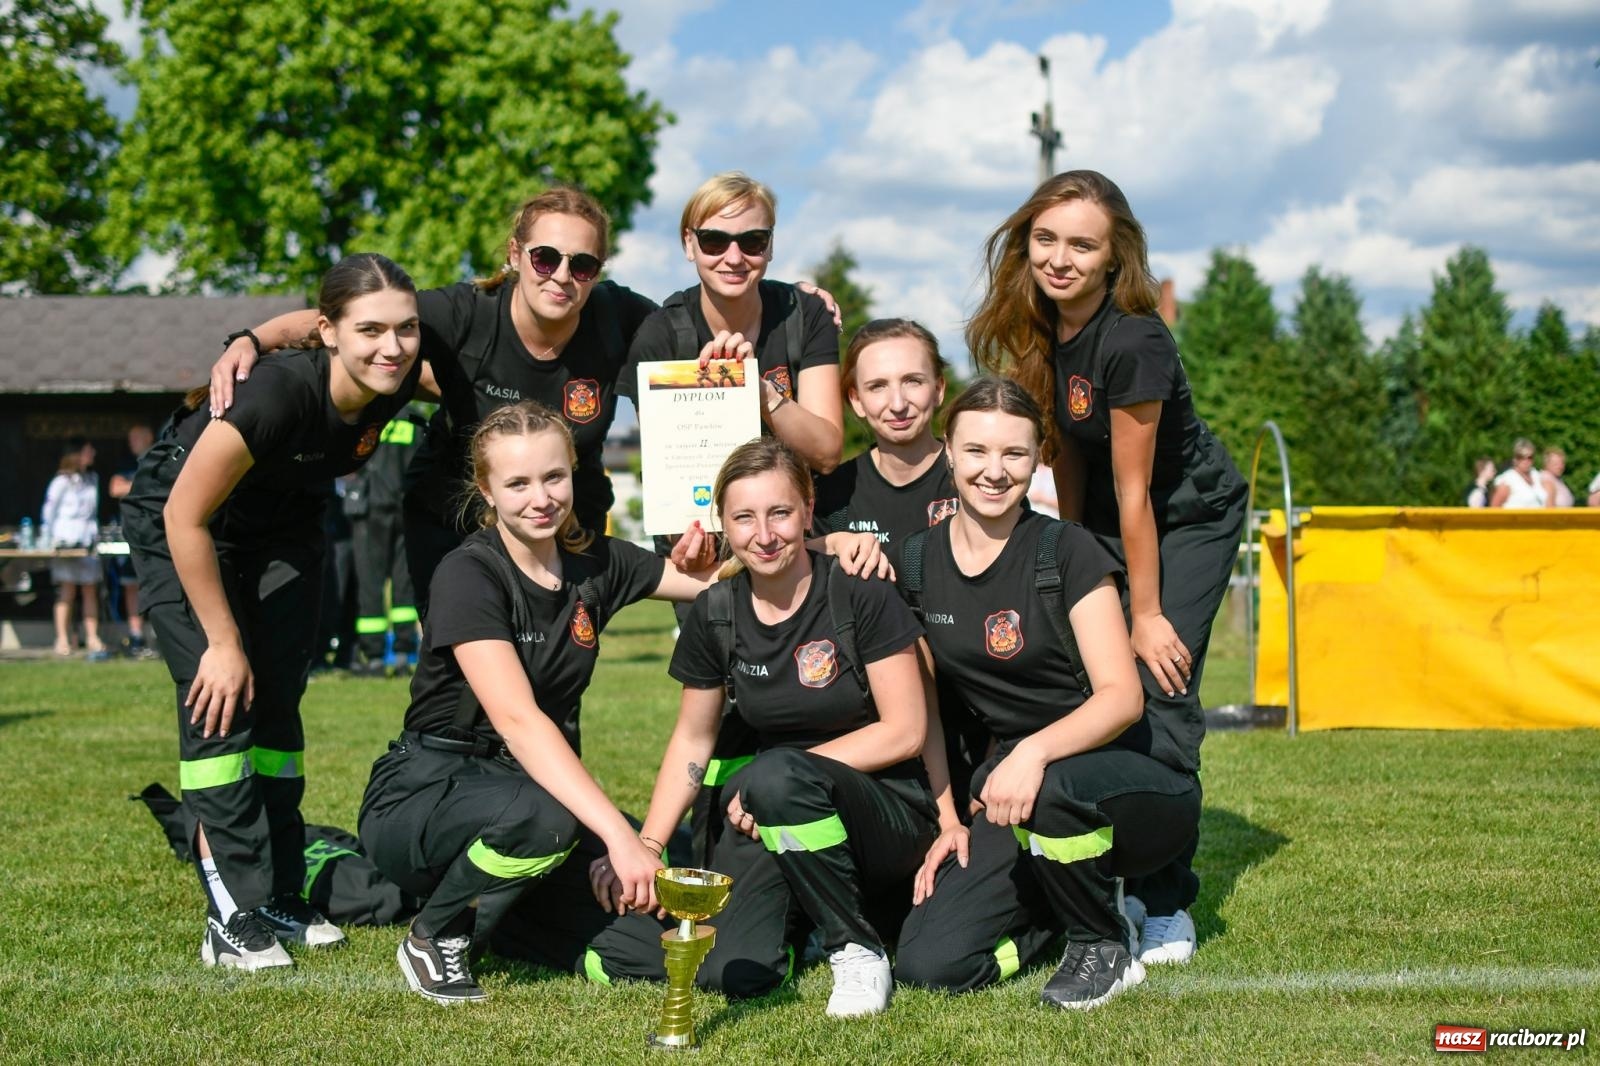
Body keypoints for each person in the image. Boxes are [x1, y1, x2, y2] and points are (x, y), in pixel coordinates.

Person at [966, 170, 1246, 965]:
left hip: (1185, 518)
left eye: (1081, 245)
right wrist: (1064, 548)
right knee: (1091, 677)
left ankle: (1164, 900)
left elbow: (1135, 492)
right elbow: (1073, 460)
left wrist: (1145, 611)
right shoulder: (1041, 325)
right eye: (1046, 239)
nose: (1060, 258)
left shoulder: (1134, 339)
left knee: (1158, 680)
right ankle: (1099, 852)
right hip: (1118, 516)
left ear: (1113, 255)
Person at [357, 400, 719, 1005]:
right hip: (427, 792)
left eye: (554, 476)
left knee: (650, 918)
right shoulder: (467, 573)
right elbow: (520, 723)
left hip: (531, 794)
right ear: (486, 490)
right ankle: (434, 932)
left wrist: (818, 545)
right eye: (518, 483)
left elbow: (716, 583)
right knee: (548, 820)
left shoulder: (596, 564)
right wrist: (619, 837)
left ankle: (505, 919)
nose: (541, 497)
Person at [122, 253, 425, 971]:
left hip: (284, 525)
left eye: (406, 329)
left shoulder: (403, 370)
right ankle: (229, 915)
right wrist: (222, 642)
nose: (392, 346)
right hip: (190, 526)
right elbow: (183, 519)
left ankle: (279, 889)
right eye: (371, 330)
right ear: (329, 332)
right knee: (223, 699)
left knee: (279, 705)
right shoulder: (278, 396)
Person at [588, 437, 936, 1018]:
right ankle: (805, 928)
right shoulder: (716, 610)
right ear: (722, 521)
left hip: (885, 807)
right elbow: (693, 739)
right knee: (733, 970)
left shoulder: (860, 589)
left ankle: (858, 947)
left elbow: (905, 731)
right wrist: (649, 841)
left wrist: (788, 774)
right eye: (743, 517)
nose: (764, 534)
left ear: (807, 508)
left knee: (776, 774)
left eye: (779, 512)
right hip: (770, 806)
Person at [894, 377, 1200, 1011]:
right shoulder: (919, 563)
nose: (995, 471)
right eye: (977, 451)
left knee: (1060, 789)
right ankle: (1060, 918)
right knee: (931, 963)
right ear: (948, 452)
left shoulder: (1068, 550)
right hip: (1018, 794)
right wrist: (951, 817)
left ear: (1038, 460)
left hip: (1129, 780)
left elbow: (1122, 699)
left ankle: (1103, 942)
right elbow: (922, 708)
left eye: (1015, 454)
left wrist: (1029, 755)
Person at [209, 186, 656, 615]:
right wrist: (251, 339)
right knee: (461, 672)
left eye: (582, 265)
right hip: (454, 519)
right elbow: (353, 321)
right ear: (515, 254)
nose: (561, 275)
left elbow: (692, 335)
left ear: (598, 271)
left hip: (567, 524)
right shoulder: (465, 312)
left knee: (556, 672)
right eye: (545, 258)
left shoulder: (621, 317)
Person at [619, 172, 845, 476]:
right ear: (689, 243)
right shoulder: (660, 336)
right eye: (714, 241)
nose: (734, 257)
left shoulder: (807, 314)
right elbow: (669, 472)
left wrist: (760, 391)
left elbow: (827, 454)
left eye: (753, 241)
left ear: (770, 245)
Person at [812, 318, 957, 572]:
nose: (898, 404)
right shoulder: (834, 494)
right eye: (878, 386)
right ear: (856, 400)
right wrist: (833, 543)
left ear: (938, 389)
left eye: (913, 381)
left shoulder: (977, 481)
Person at [346, 404, 428, 674]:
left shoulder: (367, 414)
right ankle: (405, 652)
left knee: (371, 582)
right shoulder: (414, 418)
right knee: (405, 581)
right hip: (406, 507)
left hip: (370, 509)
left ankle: (374, 655)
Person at [41, 437, 108, 660]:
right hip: (65, 540)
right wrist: (48, 539)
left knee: (90, 589)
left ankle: (92, 637)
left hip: (87, 540)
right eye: (89, 450)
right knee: (67, 590)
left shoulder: (92, 479)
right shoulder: (61, 481)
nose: (93, 454)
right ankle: (62, 638)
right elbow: (49, 511)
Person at [107, 423, 158, 657]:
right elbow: (115, 489)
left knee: (158, 583)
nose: (132, 441)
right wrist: (143, 487)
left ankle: (158, 635)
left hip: (157, 533)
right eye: (130, 437)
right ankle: (136, 636)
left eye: (136, 436)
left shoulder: (160, 457)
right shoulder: (126, 464)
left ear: (149, 436)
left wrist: (134, 488)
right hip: (130, 533)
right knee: (131, 585)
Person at [1490, 439, 1550, 508]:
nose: (1526, 461)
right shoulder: (1507, 480)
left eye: (1530, 457)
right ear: (1515, 459)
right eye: (1521, 457)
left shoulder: (1537, 477)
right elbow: (1494, 508)